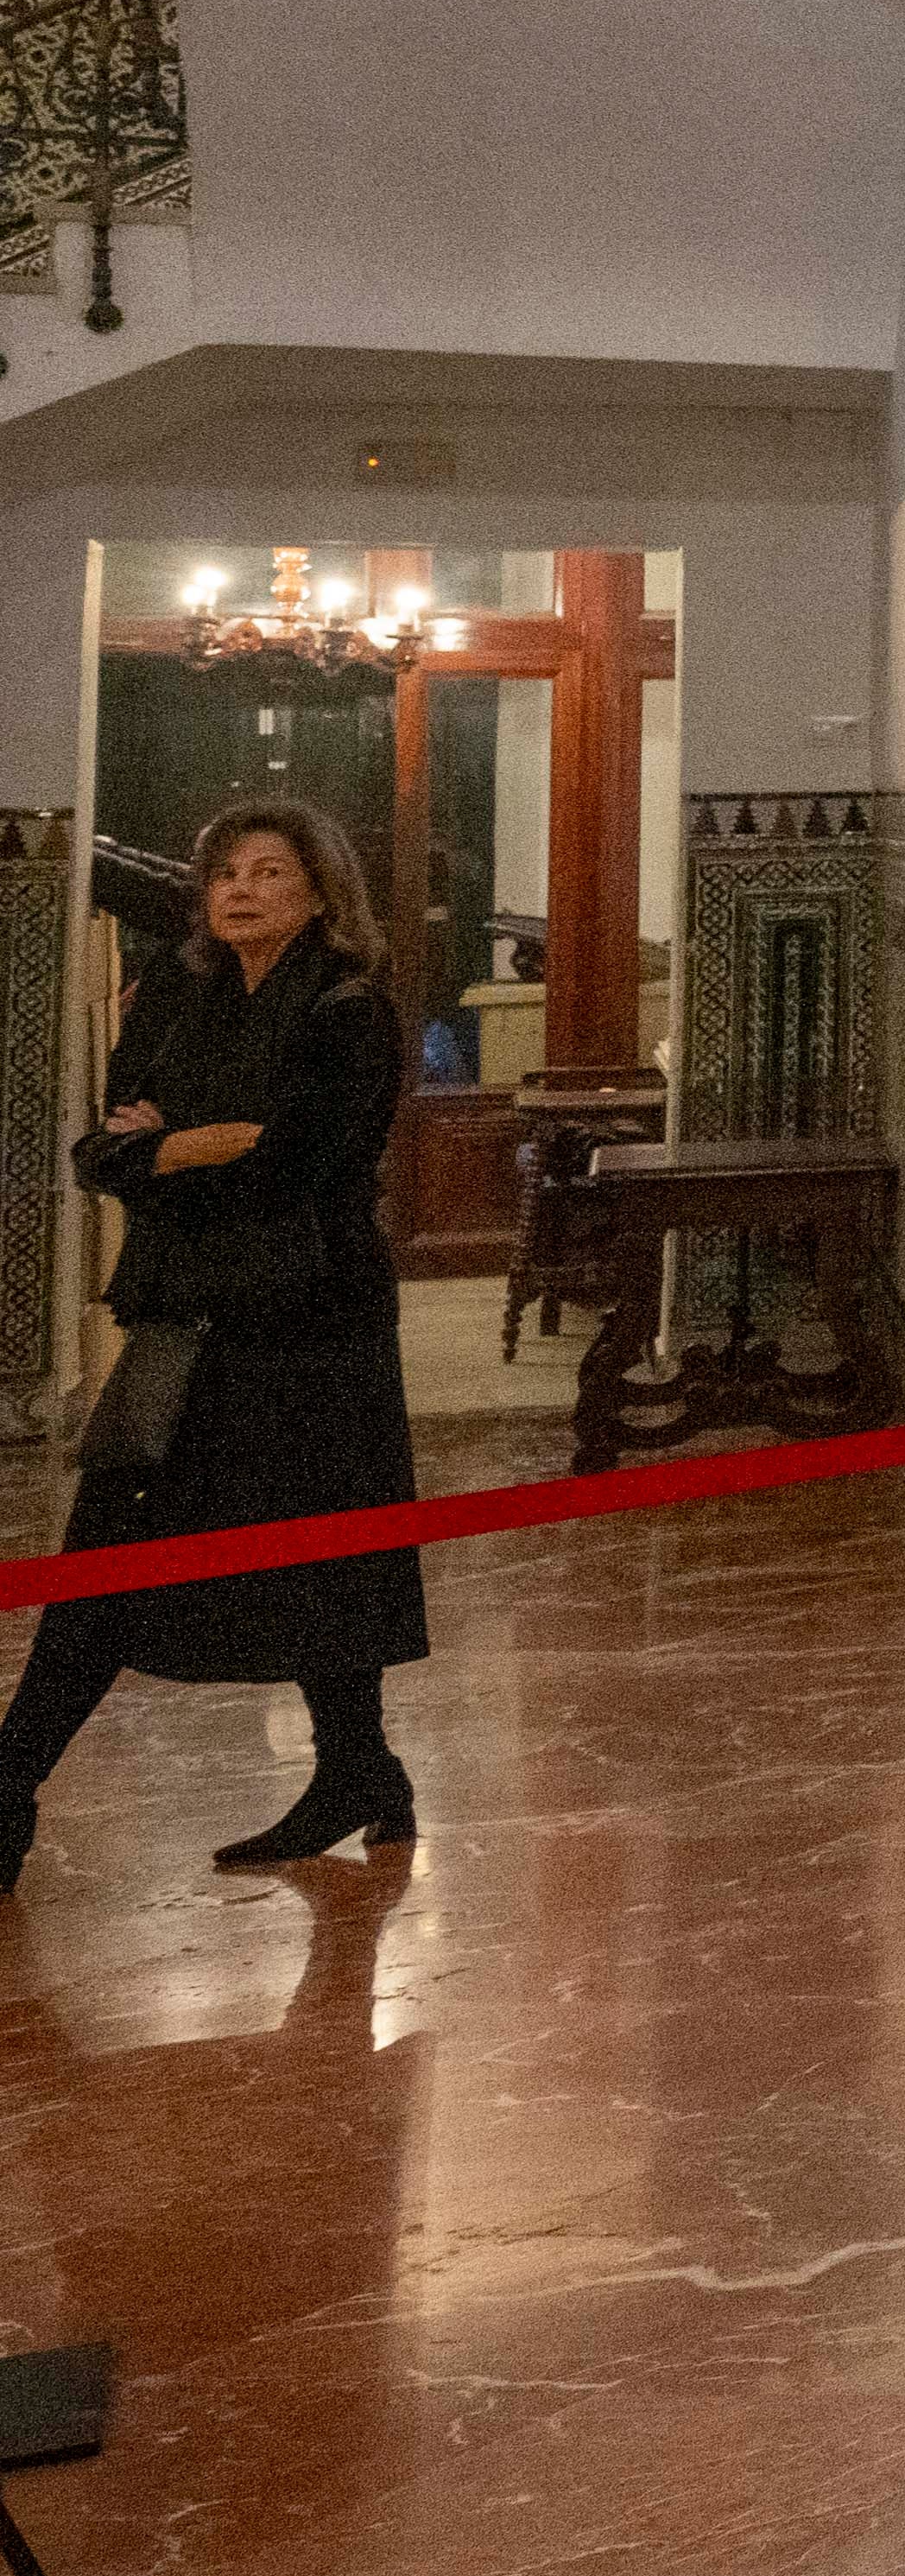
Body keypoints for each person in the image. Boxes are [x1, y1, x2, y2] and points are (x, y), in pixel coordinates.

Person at [6, 798, 429, 1881]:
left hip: (309, 1326)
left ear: (321, 891)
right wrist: (191, 1146)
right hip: (181, 1315)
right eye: (224, 872)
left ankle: (357, 1770)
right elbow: (100, 1150)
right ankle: (9, 1790)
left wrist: (168, 1156)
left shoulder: (348, 1011)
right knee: (108, 1549)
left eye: (270, 872)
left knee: (318, 1558)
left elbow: (290, 1174)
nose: (239, 889)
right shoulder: (175, 994)